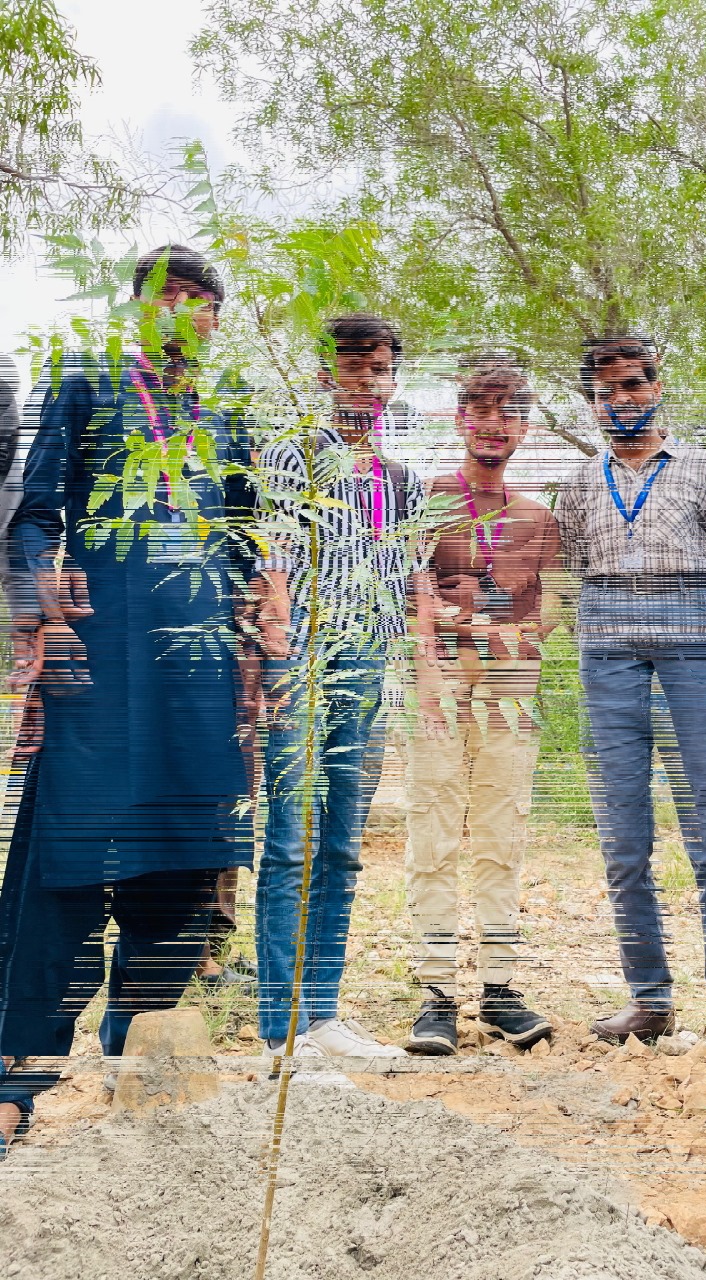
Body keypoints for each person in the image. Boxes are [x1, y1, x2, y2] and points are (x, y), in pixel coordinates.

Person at [0, 244, 270, 1156]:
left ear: (216, 320)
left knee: (186, 868)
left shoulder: (227, 406)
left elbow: (244, 536)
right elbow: (35, 514)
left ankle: (137, 1070)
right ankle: (15, 1084)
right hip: (100, 658)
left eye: (198, 301)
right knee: (65, 871)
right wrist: (40, 601)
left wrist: (256, 643)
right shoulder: (87, 380)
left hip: (200, 679)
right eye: (162, 297)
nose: (179, 313)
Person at [555, 334, 706, 1056]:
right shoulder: (577, 485)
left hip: (695, 648)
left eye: (634, 384)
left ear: (657, 388)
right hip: (607, 653)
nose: (622, 399)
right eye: (607, 391)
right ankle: (649, 999)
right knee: (623, 838)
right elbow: (574, 571)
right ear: (593, 405)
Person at [254, 312, 424, 1065]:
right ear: (325, 374)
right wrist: (279, 652)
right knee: (291, 841)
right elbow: (276, 559)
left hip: (369, 665)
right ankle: (281, 1030)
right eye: (353, 365)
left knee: (345, 845)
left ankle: (322, 1015)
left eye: (379, 368)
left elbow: (408, 579)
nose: (366, 379)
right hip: (304, 658)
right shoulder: (293, 454)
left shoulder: (400, 478)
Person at [403, 362, 562, 1054]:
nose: (493, 425)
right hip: (438, 679)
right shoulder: (425, 498)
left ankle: (499, 987)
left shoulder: (538, 517)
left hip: (511, 683)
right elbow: (413, 588)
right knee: (433, 828)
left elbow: (549, 607)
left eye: (509, 412)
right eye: (481, 409)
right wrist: (440, 652)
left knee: (503, 830)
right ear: (459, 417)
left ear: (525, 428)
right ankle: (436, 993)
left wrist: (508, 629)